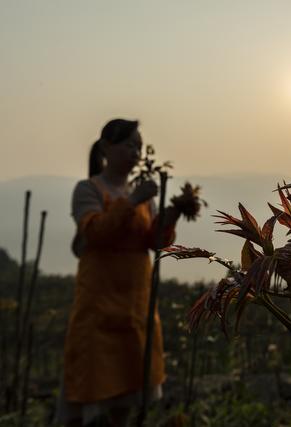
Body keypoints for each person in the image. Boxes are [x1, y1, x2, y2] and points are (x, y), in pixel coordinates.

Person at [57, 119, 188, 426]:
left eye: (139, 147)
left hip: (136, 305)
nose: (135, 152)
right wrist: (131, 201)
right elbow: (96, 232)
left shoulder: (141, 196)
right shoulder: (89, 189)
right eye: (129, 145)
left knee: (129, 393)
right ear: (105, 148)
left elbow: (153, 242)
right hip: (99, 305)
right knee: (97, 391)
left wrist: (170, 217)